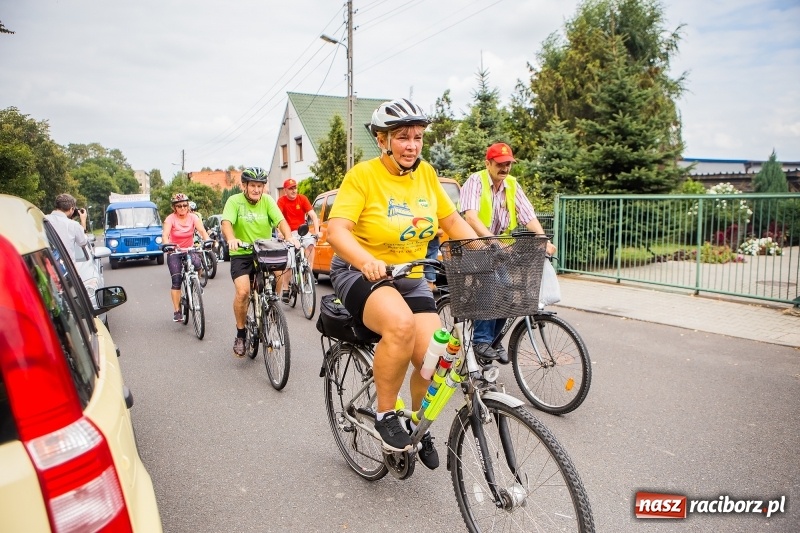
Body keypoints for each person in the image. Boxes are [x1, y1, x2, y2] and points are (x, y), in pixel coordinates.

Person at [327, 98, 479, 467]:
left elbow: (453, 224)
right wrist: (365, 260)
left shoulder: (426, 174)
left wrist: (487, 252)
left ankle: (416, 424)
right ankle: (384, 417)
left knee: (437, 355)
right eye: (402, 137)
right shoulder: (362, 176)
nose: (412, 145)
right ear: (383, 140)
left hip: (409, 274)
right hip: (360, 272)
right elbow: (336, 230)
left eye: (418, 137)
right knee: (400, 325)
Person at [459, 142, 557, 363]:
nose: (505, 169)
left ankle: (492, 341)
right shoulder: (476, 181)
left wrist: (543, 239)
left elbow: (528, 215)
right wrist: (492, 241)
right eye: (500, 164)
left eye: (509, 164)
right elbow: (471, 218)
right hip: (473, 245)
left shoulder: (511, 185)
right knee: (495, 284)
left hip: (499, 247)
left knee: (511, 294)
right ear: (488, 163)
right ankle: (481, 341)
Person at [221, 167, 299, 357]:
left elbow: (280, 221)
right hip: (242, 252)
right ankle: (241, 334)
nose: (257, 190)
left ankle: (272, 306)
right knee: (243, 292)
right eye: (253, 186)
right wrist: (231, 238)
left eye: (260, 186)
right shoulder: (234, 201)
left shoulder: (267, 201)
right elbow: (227, 223)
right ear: (244, 186)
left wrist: (289, 237)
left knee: (282, 269)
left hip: (264, 251)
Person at [162, 193, 210, 322]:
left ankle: (196, 283)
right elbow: (165, 235)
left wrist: (208, 240)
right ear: (174, 208)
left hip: (189, 249)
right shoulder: (170, 219)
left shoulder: (193, 217)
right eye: (179, 206)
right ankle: (177, 311)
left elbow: (202, 231)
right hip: (175, 251)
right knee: (176, 280)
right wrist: (167, 245)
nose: (183, 208)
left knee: (198, 264)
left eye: (185, 205)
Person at [276, 178, 321, 303]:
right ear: (285, 190)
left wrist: (317, 232)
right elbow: (277, 218)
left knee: (311, 244)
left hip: (302, 231)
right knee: (289, 262)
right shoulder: (281, 201)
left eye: (295, 188)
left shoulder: (302, 199)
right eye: (290, 188)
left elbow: (313, 215)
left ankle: (308, 274)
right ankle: (286, 288)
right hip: (288, 233)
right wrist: (280, 232)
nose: (293, 190)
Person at [45, 193, 88, 261]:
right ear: (71, 209)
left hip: (47, 266)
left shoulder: (43, 219)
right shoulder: (73, 225)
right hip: (66, 268)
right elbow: (83, 242)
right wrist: (83, 221)